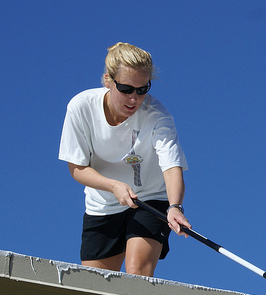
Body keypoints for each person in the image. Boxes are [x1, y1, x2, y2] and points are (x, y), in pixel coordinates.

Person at [59, 42, 191, 277]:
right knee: (95, 287)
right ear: (108, 80)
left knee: (136, 273)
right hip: (102, 204)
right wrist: (113, 186)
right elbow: (78, 168)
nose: (134, 98)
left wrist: (175, 207)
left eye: (142, 90)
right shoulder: (81, 107)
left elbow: (171, 165)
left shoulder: (157, 116)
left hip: (150, 200)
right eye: (126, 89)